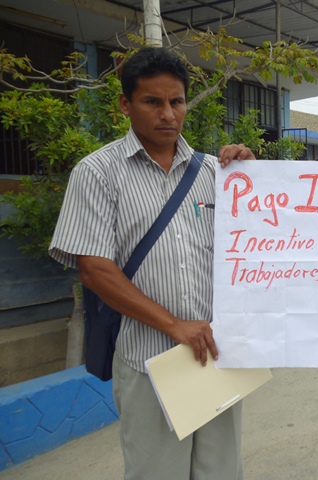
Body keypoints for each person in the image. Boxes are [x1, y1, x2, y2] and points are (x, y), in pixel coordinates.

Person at [49, 47, 255, 479]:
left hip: (216, 354)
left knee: (221, 471)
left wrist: (255, 181)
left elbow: (256, 246)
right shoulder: (98, 173)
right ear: (125, 104)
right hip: (150, 362)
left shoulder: (215, 173)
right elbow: (94, 269)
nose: (167, 114)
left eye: (176, 101)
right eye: (152, 102)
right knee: (157, 473)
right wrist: (174, 326)